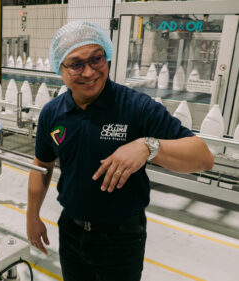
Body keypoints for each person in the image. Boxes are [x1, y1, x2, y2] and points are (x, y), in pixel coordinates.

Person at [27, 21, 214, 281]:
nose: (90, 71)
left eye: (97, 59)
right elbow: (42, 165)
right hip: (70, 230)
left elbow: (203, 157)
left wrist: (148, 146)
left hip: (121, 237)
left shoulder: (136, 107)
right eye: (76, 64)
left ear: (107, 56)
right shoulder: (52, 113)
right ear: (59, 67)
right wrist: (32, 216)